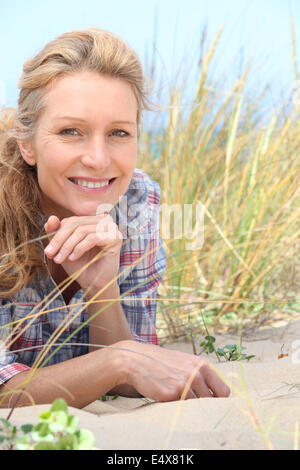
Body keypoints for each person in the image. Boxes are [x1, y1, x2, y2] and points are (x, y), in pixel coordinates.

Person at [0, 28, 230, 408]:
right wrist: (118, 360)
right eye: (71, 131)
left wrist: (101, 287)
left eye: (119, 133)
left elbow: (138, 375)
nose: (99, 159)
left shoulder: (136, 201)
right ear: (28, 144)